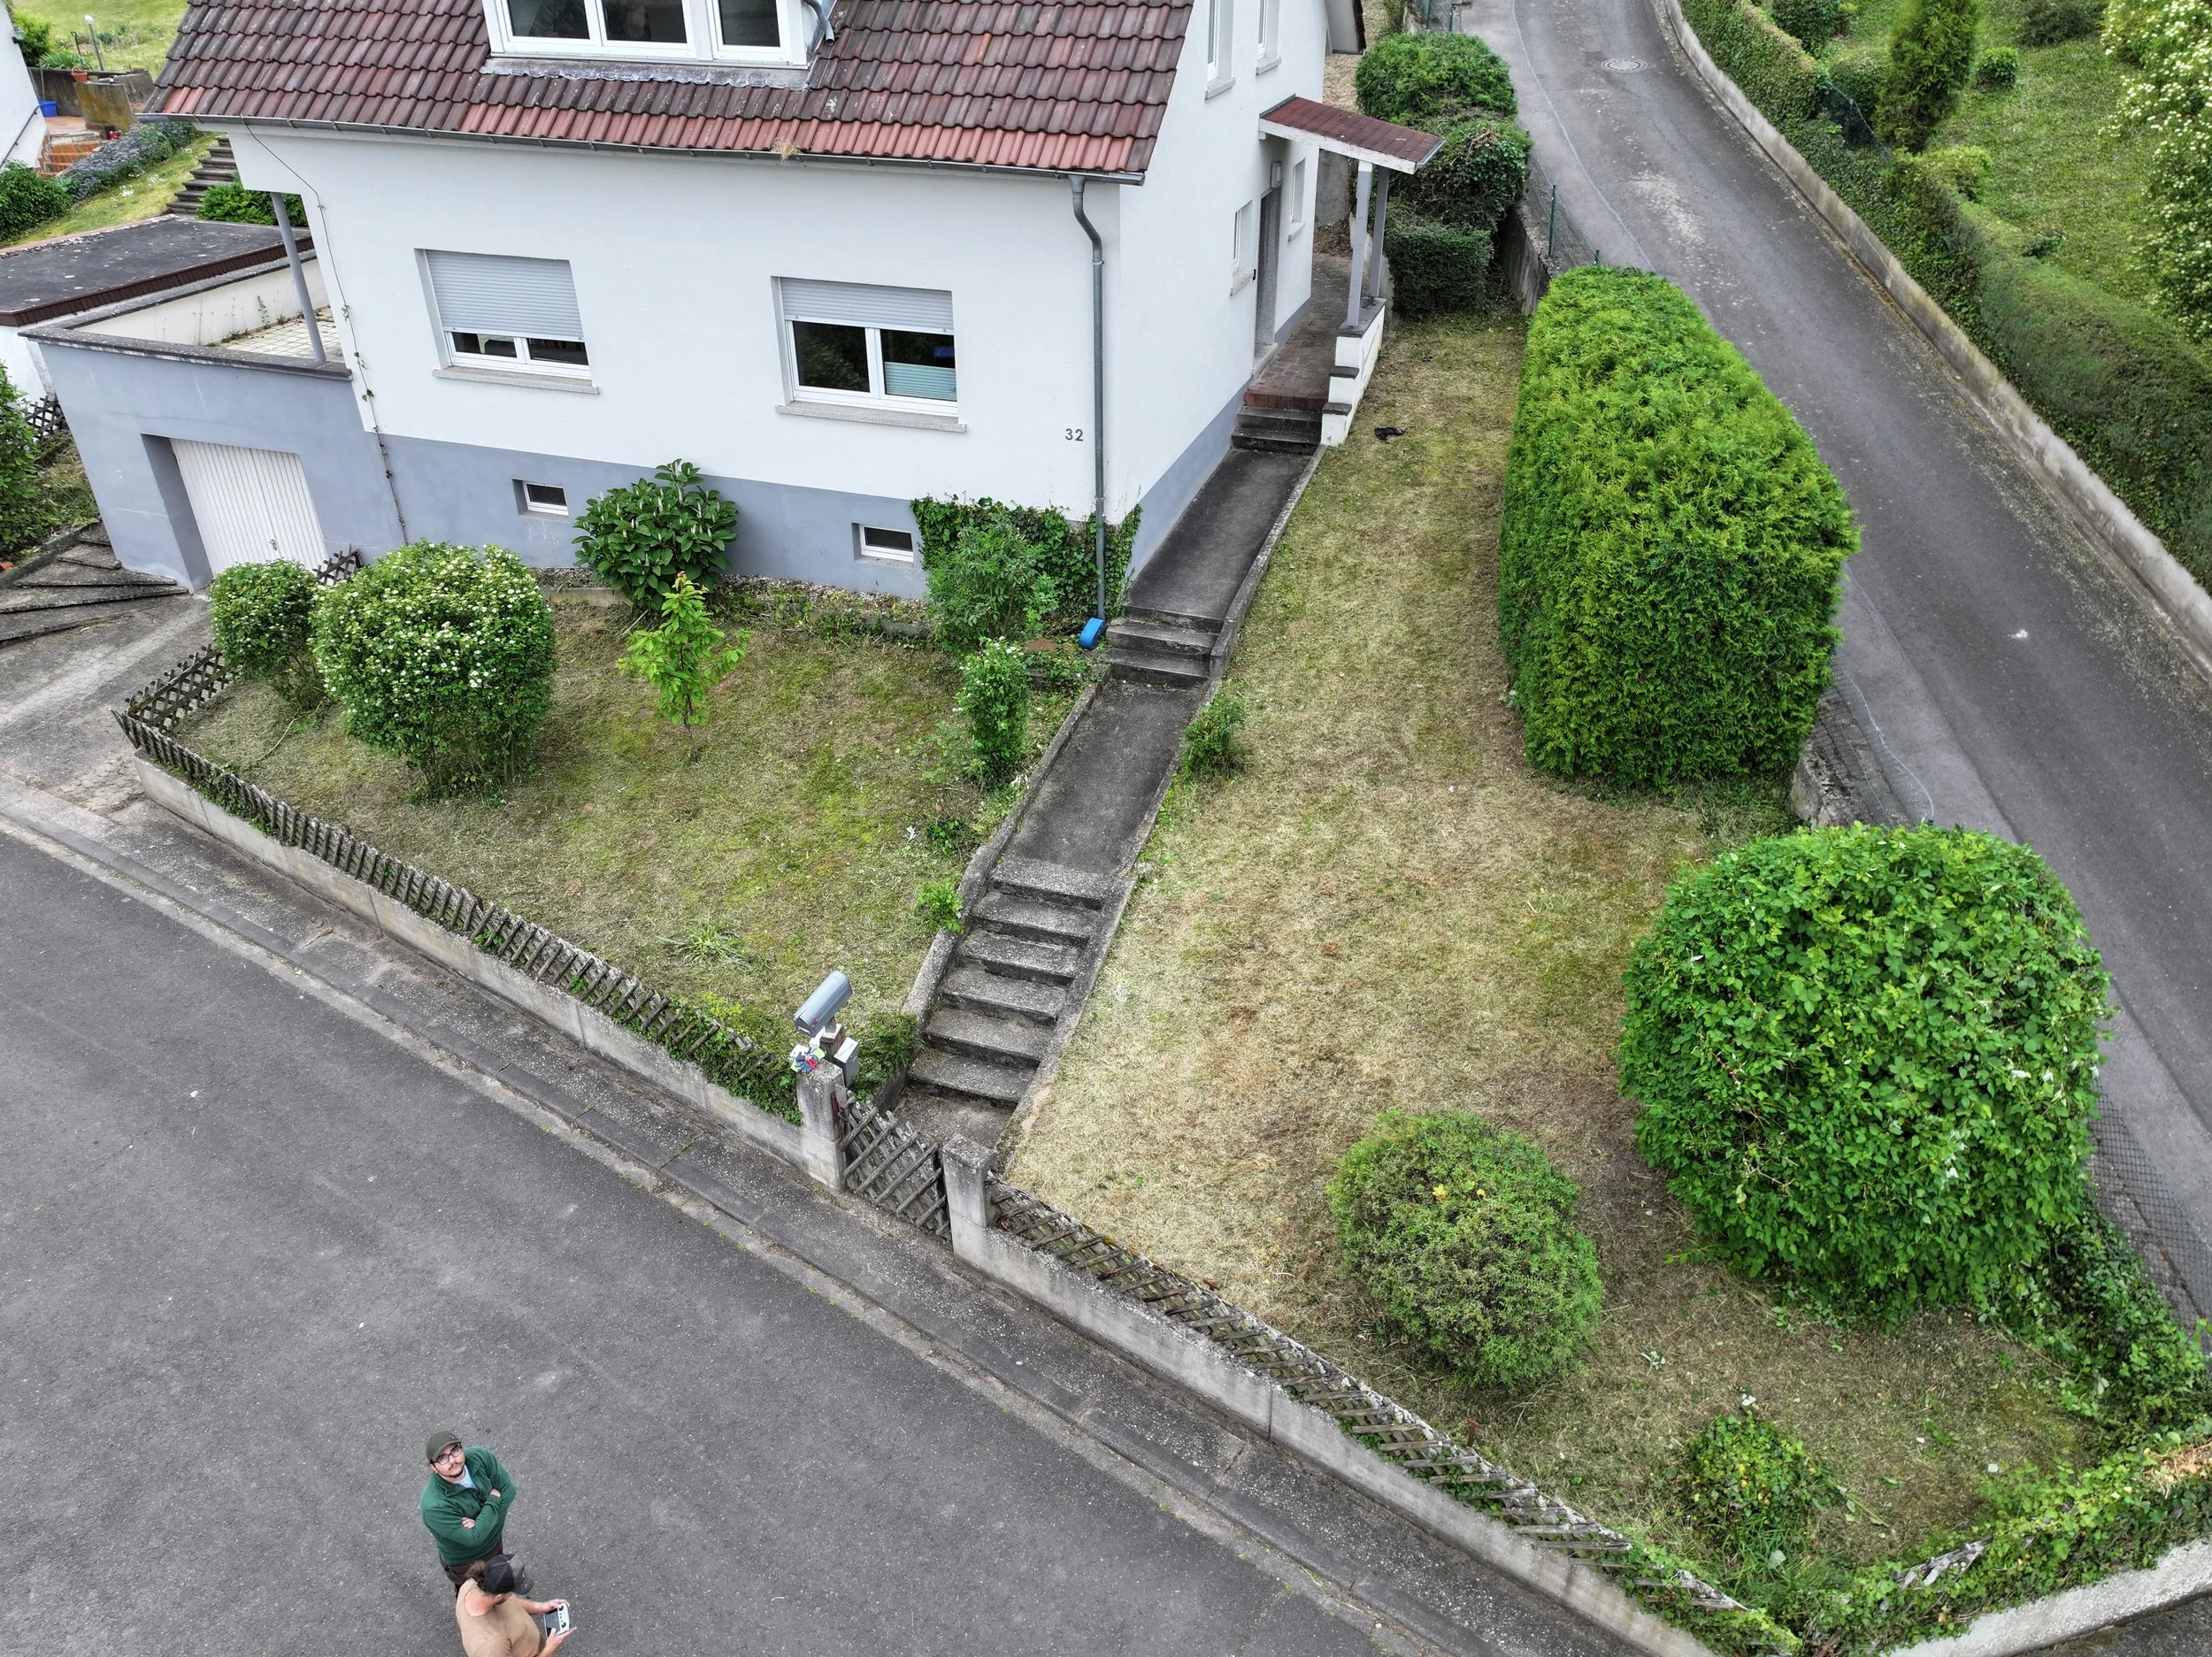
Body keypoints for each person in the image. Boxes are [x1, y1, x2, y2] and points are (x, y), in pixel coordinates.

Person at [421, 1431, 519, 1585]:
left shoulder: (480, 1456)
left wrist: (481, 1525)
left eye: (455, 1450)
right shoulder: (434, 1506)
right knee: (477, 1601)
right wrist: (494, 1499)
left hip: (495, 1543)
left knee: (502, 1585)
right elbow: (474, 1538)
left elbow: (509, 1492)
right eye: (442, 1458)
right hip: (467, 1563)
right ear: (433, 1467)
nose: (452, 1460)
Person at [455, 1554, 571, 1657]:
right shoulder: (490, 1646)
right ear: (498, 1597)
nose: (512, 1595)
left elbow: (511, 1602)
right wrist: (548, 1650)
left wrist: (540, 1607)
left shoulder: (473, 1584)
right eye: (510, 1592)